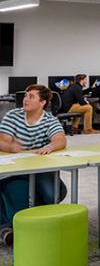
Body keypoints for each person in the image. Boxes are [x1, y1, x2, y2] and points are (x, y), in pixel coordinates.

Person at [0, 84, 68, 246]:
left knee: (54, 194)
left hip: (37, 168)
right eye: (25, 95)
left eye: (31, 96)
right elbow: (2, 140)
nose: (25, 99)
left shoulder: (49, 119)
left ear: (42, 102)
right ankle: (4, 229)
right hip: (12, 167)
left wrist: (49, 146)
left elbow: (60, 139)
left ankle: (36, 222)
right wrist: (11, 147)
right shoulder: (13, 115)